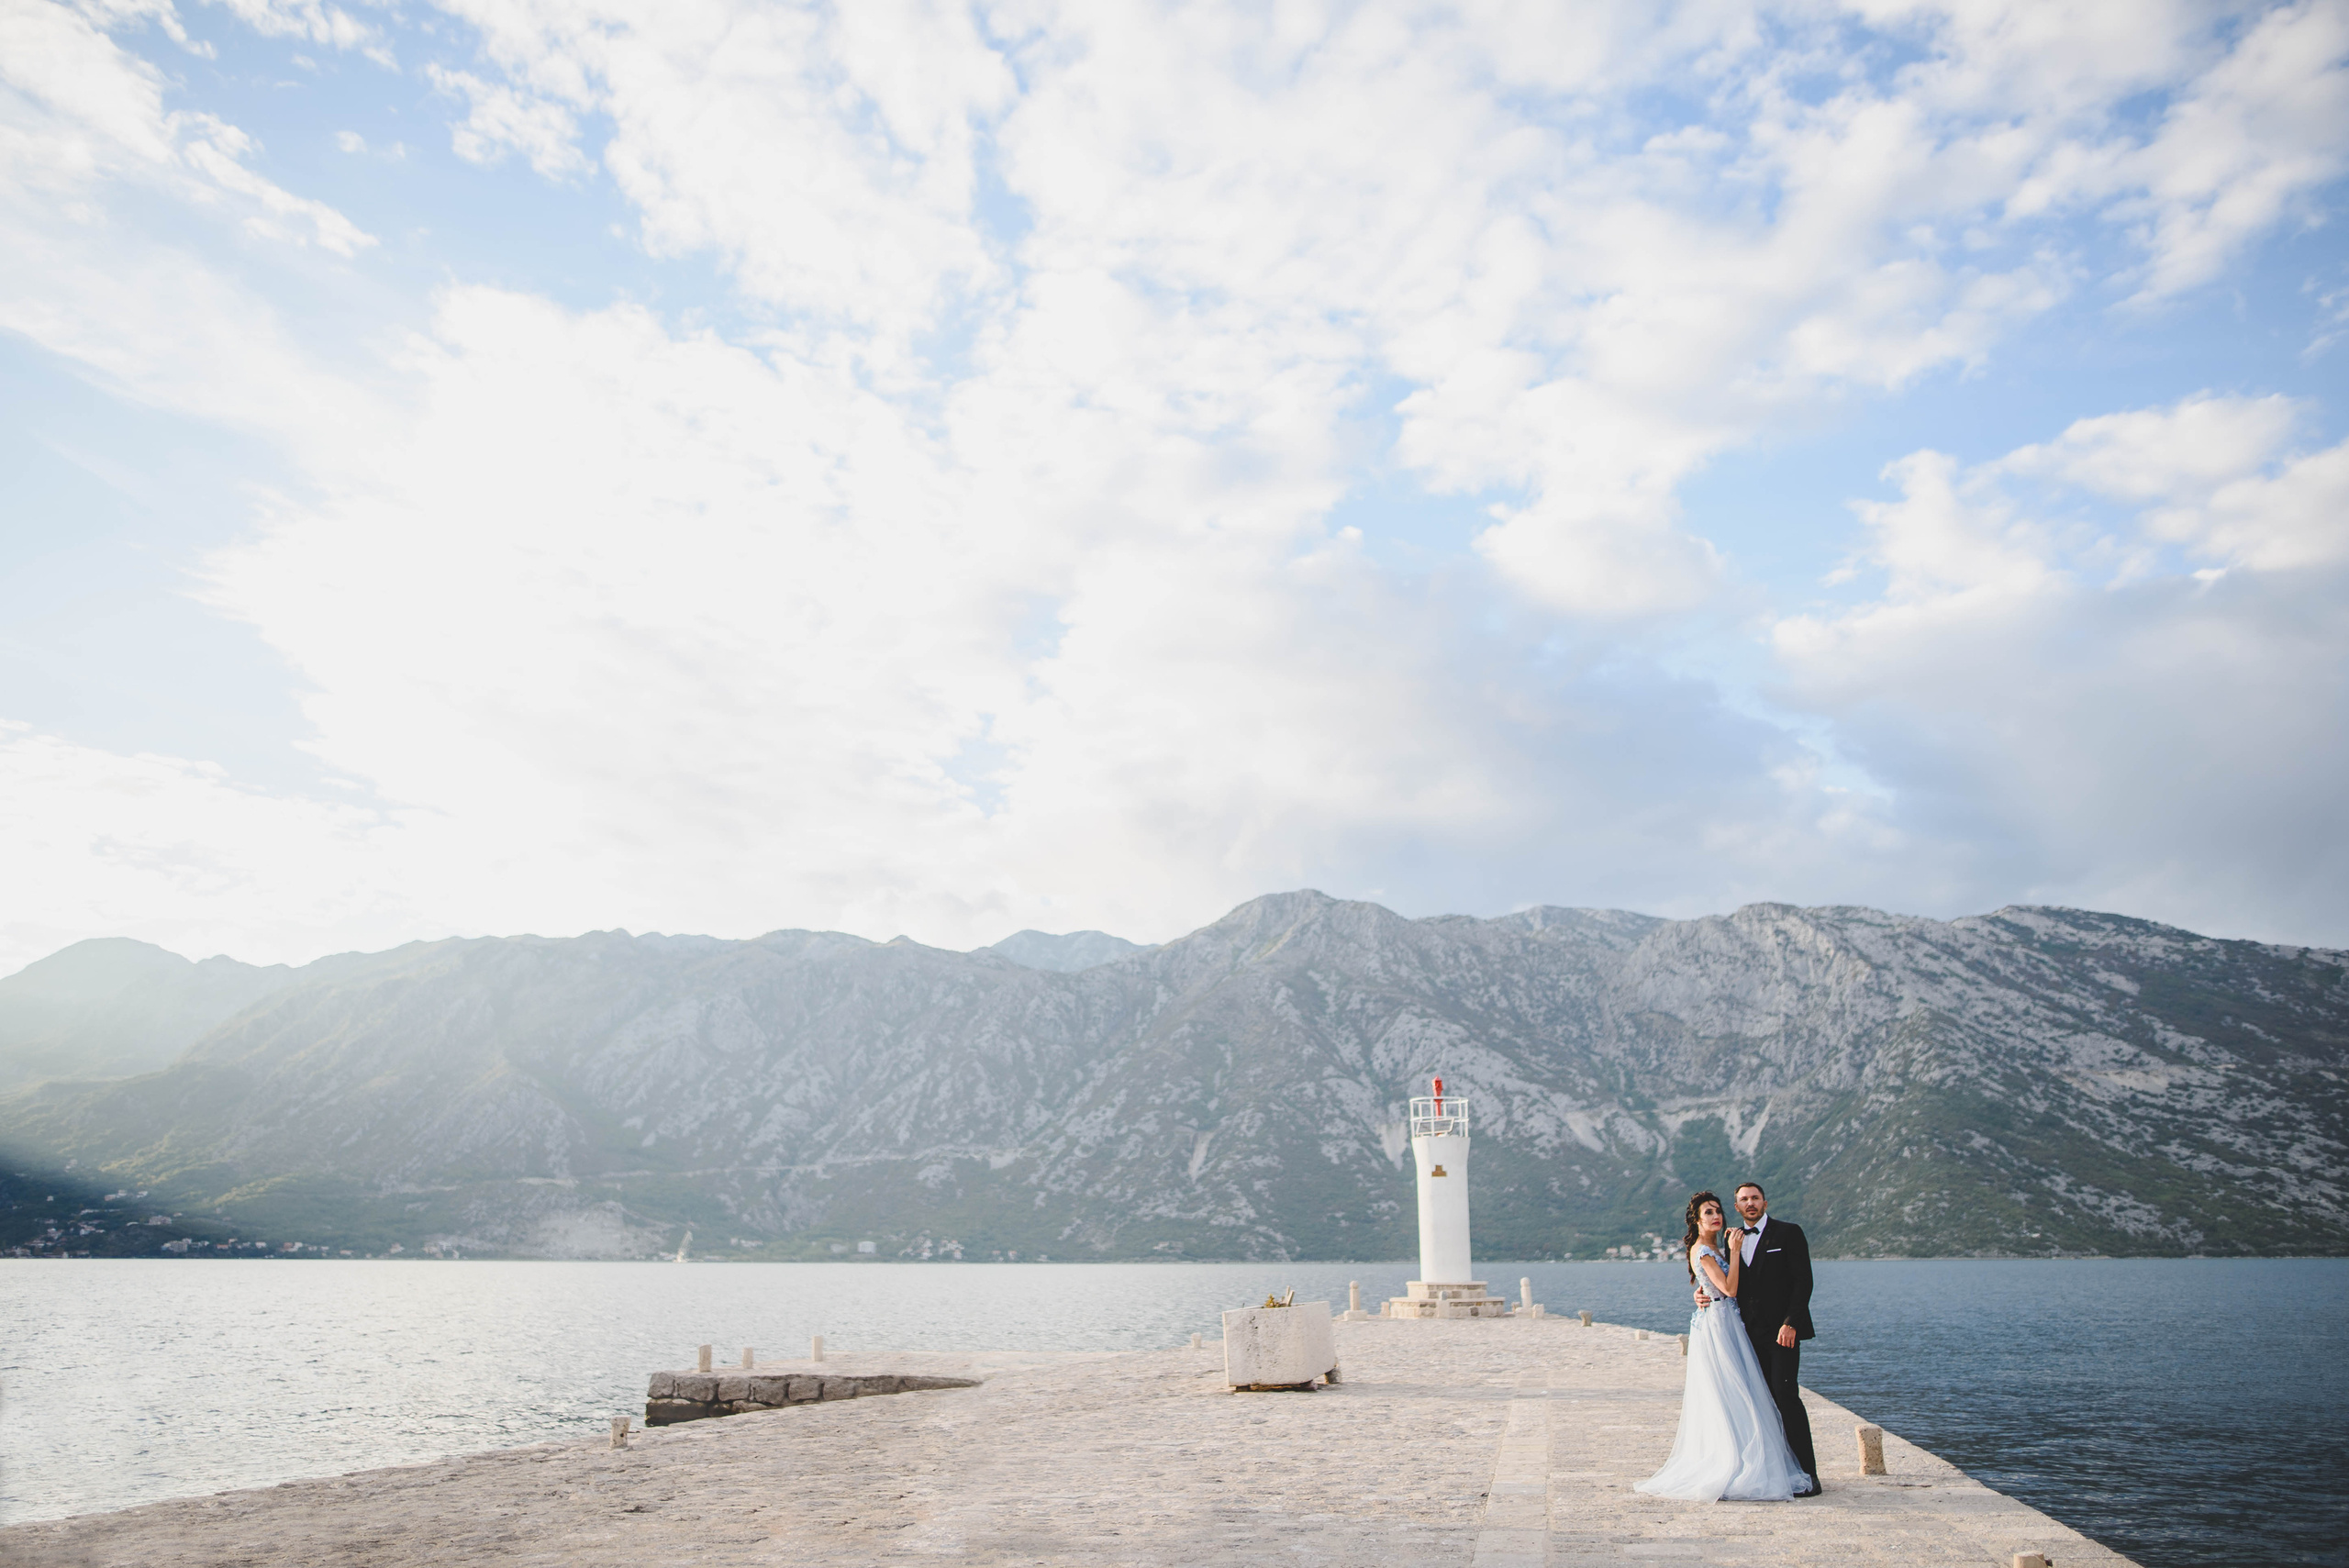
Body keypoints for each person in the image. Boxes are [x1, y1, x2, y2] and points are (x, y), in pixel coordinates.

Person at [1635, 1191, 1811, 1503]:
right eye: (1708, 1213)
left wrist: (1710, 1283)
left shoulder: (1734, 1241)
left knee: (1764, 1396)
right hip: (1721, 1328)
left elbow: (1795, 1281)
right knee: (1733, 1395)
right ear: (1697, 1219)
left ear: (1764, 1203)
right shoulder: (1710, 1247)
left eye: (1717, 1211)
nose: (1715, 1216)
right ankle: (1734, 1465)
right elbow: (1729, 1288)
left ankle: (1792, 1468)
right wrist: (1725, 1263)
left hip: (1743, 1326)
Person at [1723, 1181, 1820, 1496]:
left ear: (1765, 1202)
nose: (1750, 1203)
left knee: (1786, 1396)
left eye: (1755, 1198)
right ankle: (1774, 1471)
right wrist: (1701, 1293)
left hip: (1783, 1334)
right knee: (1759, 1402)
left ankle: (1808, 1474)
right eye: (1743, 1200)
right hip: (1747, 1334)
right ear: (1736, 1207)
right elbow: (1727, 1281)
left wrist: (1791, 1322)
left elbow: (1803, 1282)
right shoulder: (1732, 1239)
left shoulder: (1789, 1232)